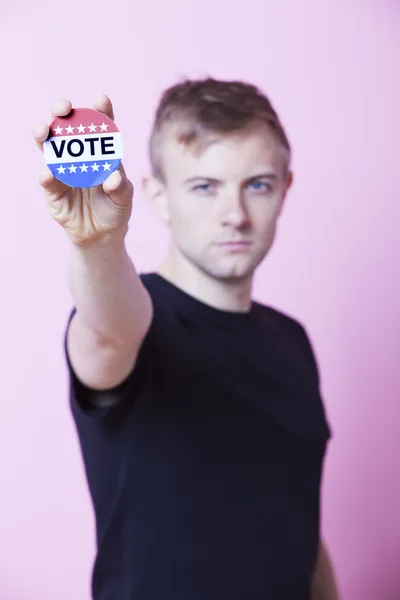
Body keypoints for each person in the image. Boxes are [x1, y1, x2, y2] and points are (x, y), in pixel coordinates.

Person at [34, 77, 340, 599]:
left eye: (258, 184)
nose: (235, 215)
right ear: (158, 196)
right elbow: (108, 333)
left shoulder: (292, 341)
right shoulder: (136, 319)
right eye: (204, 186)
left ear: (286, 189)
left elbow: (298, 524)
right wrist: (97, 245)